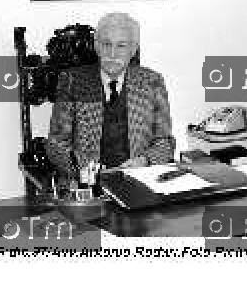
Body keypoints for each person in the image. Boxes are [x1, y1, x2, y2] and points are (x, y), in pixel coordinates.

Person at [47, 12, 175, 188]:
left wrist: (144, 161)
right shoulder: (72, 81)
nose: (112, 54)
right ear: (96, 46)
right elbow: (56, 145)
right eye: (106, 44)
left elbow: (165, 142)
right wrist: (85, 168)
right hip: (86, 185)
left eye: (121, 46)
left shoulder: (152, 82)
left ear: (133, 50)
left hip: (138, 181)